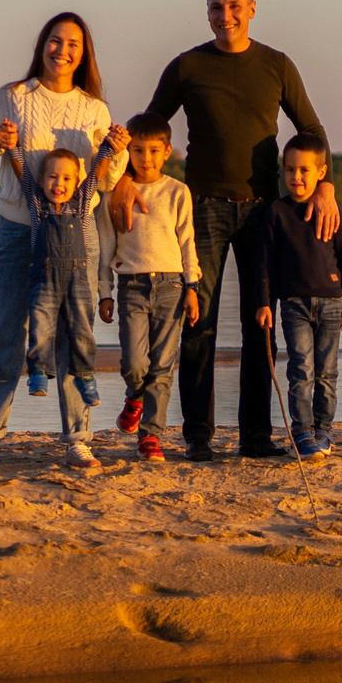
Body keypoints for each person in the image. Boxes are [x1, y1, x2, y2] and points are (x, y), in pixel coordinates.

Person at [116, 0, 339, 463]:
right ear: (207, 12)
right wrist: (125, 175)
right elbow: (148, 128)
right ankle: (199, 435)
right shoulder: (187, 66)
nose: (225, 15)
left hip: (265, 211)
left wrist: (325, 186)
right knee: (199, 324)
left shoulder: (277, 65)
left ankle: (256, 438)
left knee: (260, 323)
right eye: (216, 7)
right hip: (203, 210)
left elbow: (312, 129)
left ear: (253, 9)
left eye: (234, 6)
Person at [0, 13, 126, 475]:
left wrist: (119, 150)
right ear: (42, 45)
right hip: (17, 231)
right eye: (55, 40)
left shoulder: (93, 109)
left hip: (77, 235)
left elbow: (105, 179)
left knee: (74, 333)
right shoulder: (14, 96)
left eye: (72, 43)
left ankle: (79, 441)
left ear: (83, 52)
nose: (62, 50)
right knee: (7, 332)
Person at [96, 115, 201, 464]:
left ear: (168, 151)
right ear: (128, 153)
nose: (146, 158)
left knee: (162, 367)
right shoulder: (117, 193)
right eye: (137, 150)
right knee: (135, 362)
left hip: (172, 285)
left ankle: (150, 437)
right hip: (133, 287)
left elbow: (187, 240)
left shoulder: (177, 192)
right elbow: (107, 244)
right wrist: (105, 292)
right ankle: (134, 396)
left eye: (154, 151)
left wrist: (192, 286)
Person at [252, 135, 342, 461]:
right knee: (301, 369)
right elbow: (265, 262)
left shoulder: (329, 208)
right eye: (289, 170)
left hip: (331, 303)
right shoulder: (277, 212)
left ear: (321, 172)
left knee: (327, 372)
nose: (296, 177)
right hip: (293, 304)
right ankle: (302, 432)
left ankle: (323, 430)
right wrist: (264, 302)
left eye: (304, 171)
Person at [23, 148, 112, 470]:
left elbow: (97, 174)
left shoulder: (81, 204)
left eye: (66, 178)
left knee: (81, 331)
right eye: (52, 177)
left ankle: (86, 376)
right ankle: (37, 372)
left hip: (77, 280)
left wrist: (108, 148)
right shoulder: (37, 207)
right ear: (42, 180)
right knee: (40, 327)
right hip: (44, 279)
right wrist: (14, 148)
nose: (58, 184)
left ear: (76, 183)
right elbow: (22, 172)